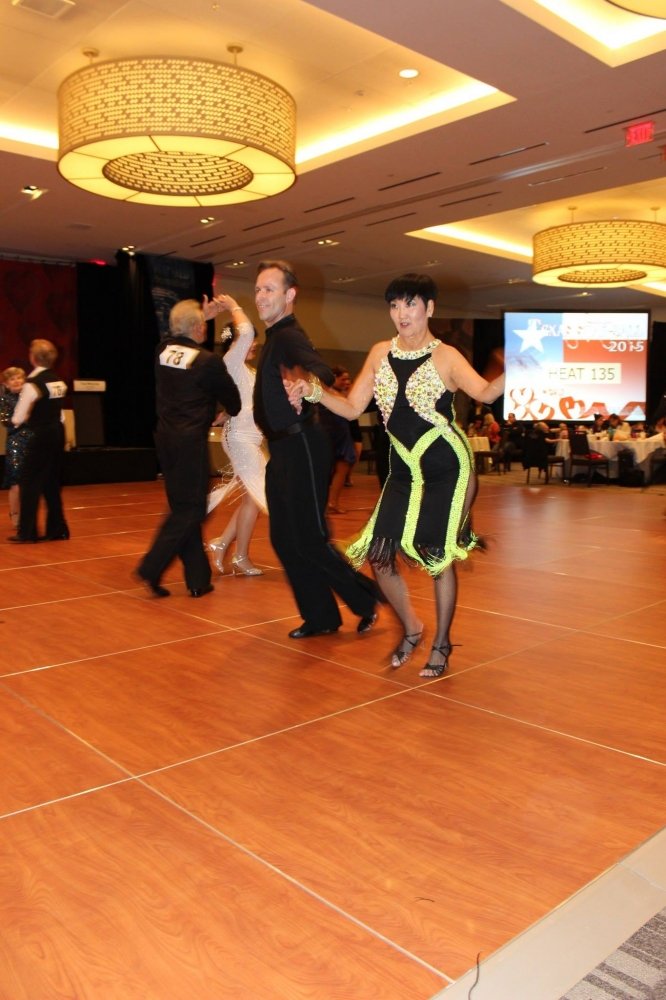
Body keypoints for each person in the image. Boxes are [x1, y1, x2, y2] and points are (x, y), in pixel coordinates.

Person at [284, 273, 505, 677]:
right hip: (403, 470)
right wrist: (315, 393)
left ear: (429, 308)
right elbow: (353, 408)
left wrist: (525, 369)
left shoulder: (447, 356)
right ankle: (412, 628)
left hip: (447, 469)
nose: (401, 314)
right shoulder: (379, 353)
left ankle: (442, 644)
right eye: (394, 305)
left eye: (410, 305)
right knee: (379, 555)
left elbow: (486, 394)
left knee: (438, 559)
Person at [252, 259, 380, 639]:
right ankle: (321, 616)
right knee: (283, 538)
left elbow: (320, 370)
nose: (261, 296)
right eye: (258, 289)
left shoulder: (289, 336)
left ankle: (366, 598)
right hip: (283, 449)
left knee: (307, 538)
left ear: (290, 295)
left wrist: (309, 386)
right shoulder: (275, 338)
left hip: (303, 445)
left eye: (269, 289)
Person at [136, 297, 241, 598]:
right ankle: (151, 566)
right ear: (199, 328)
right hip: (190, 442)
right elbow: (233, 400)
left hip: (165, 440)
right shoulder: (208, 361)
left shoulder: (161, 351)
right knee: (192, 509)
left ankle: (198, 579)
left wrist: (197, 318)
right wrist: (222, 414)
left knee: (184, 507)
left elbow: (174, 339)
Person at [207, 298, 267, 576]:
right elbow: (245, 334)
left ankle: (223, 544)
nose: (254, 343)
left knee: (251, 499)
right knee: (256, 497)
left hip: (250, 438)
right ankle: (239, 556)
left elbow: (243, 403)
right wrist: (233, 306)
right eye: (250, 340)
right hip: (241, 440)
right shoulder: (231, 361)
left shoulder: (248, 370)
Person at [9, 340, 69, 544]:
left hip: (41, 434)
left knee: (29, 481)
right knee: (51, 482)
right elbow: (60, 414)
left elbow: (18, 417)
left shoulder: (32, 384)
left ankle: (27, 532)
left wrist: (11, 420)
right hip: (57, 432)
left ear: (33, 358)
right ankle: (57, 529)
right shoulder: (58, 381)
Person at [318, 365, 357, 514]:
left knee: (342, 467)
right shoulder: (325, 393)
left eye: (348, 379)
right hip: (329, 435)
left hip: (340, 434)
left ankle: (332, 502)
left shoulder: (334, 393)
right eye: (343, 379)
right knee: (327, 471)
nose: (346, 382)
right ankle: (327, 503)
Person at [1, 366, 31, 532]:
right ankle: (15, 514)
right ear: (6, 384)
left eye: (19, 378)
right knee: (15, 483)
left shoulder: (30, 397)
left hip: (31, 442)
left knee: (29, 483)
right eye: (12, 379)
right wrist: (23, 418)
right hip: (15, 442)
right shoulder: (5, 399)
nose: (17, 381)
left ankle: (27, 515)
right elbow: (6, 421)